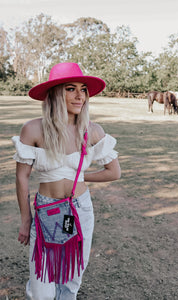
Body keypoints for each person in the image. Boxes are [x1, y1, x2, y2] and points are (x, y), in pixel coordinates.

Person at [12, 62, 121, 300]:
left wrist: (78, 177)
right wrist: (25, 220)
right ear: (55, 94)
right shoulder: (33, 129)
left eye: (83, 89)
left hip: (78, 209)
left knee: (71, 275)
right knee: (42, 282)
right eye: (70, 88)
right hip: (47, 210)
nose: (79, 95)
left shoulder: (92, 130)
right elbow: (22, 177)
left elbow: (114, 172)